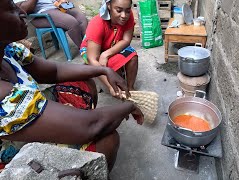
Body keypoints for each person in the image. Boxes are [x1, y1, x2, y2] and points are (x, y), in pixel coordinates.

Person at [0, 0, 144, 172]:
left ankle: (71, 121)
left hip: (30, 108)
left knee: (83, 81)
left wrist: (104, 70)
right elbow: (90, 125)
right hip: (15, 150)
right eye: (11, 9)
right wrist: (130, 106)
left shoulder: (10, 50)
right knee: (106, 138)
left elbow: (54, 71)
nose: (22, 12)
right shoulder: (3, 95)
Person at [80, 0, 138, 96]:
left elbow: (126, 40)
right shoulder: (97, 23)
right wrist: (110, 86)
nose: (124, 15)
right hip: (91, 50)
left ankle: (130, 88)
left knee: (133, 57)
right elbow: (92, 58)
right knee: (110, 68)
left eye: (127, 11)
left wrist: (106, 54)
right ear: (109, 6)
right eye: (119, 10)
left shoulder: (128, 15)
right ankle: (115, 87)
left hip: (113, 44)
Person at [14, 0, 87, 48]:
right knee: (71, 22)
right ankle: (84, 50)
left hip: (57, 8)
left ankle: (91, 45)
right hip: (41, 14)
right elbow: (24, 9)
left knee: (81, 18)